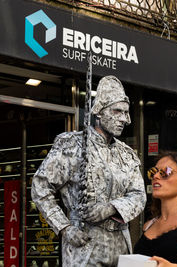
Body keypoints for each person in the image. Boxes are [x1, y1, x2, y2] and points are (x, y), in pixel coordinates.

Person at [31, 76, 146, 266]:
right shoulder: (72, 145)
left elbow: (139, 195)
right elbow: (41, 188)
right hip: (84, 243)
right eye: (117, 111)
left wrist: (110, 208)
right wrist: (65, 228)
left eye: (126, 113)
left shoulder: (127, 154)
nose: (124, 119)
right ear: (99, 112)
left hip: (120, 244)